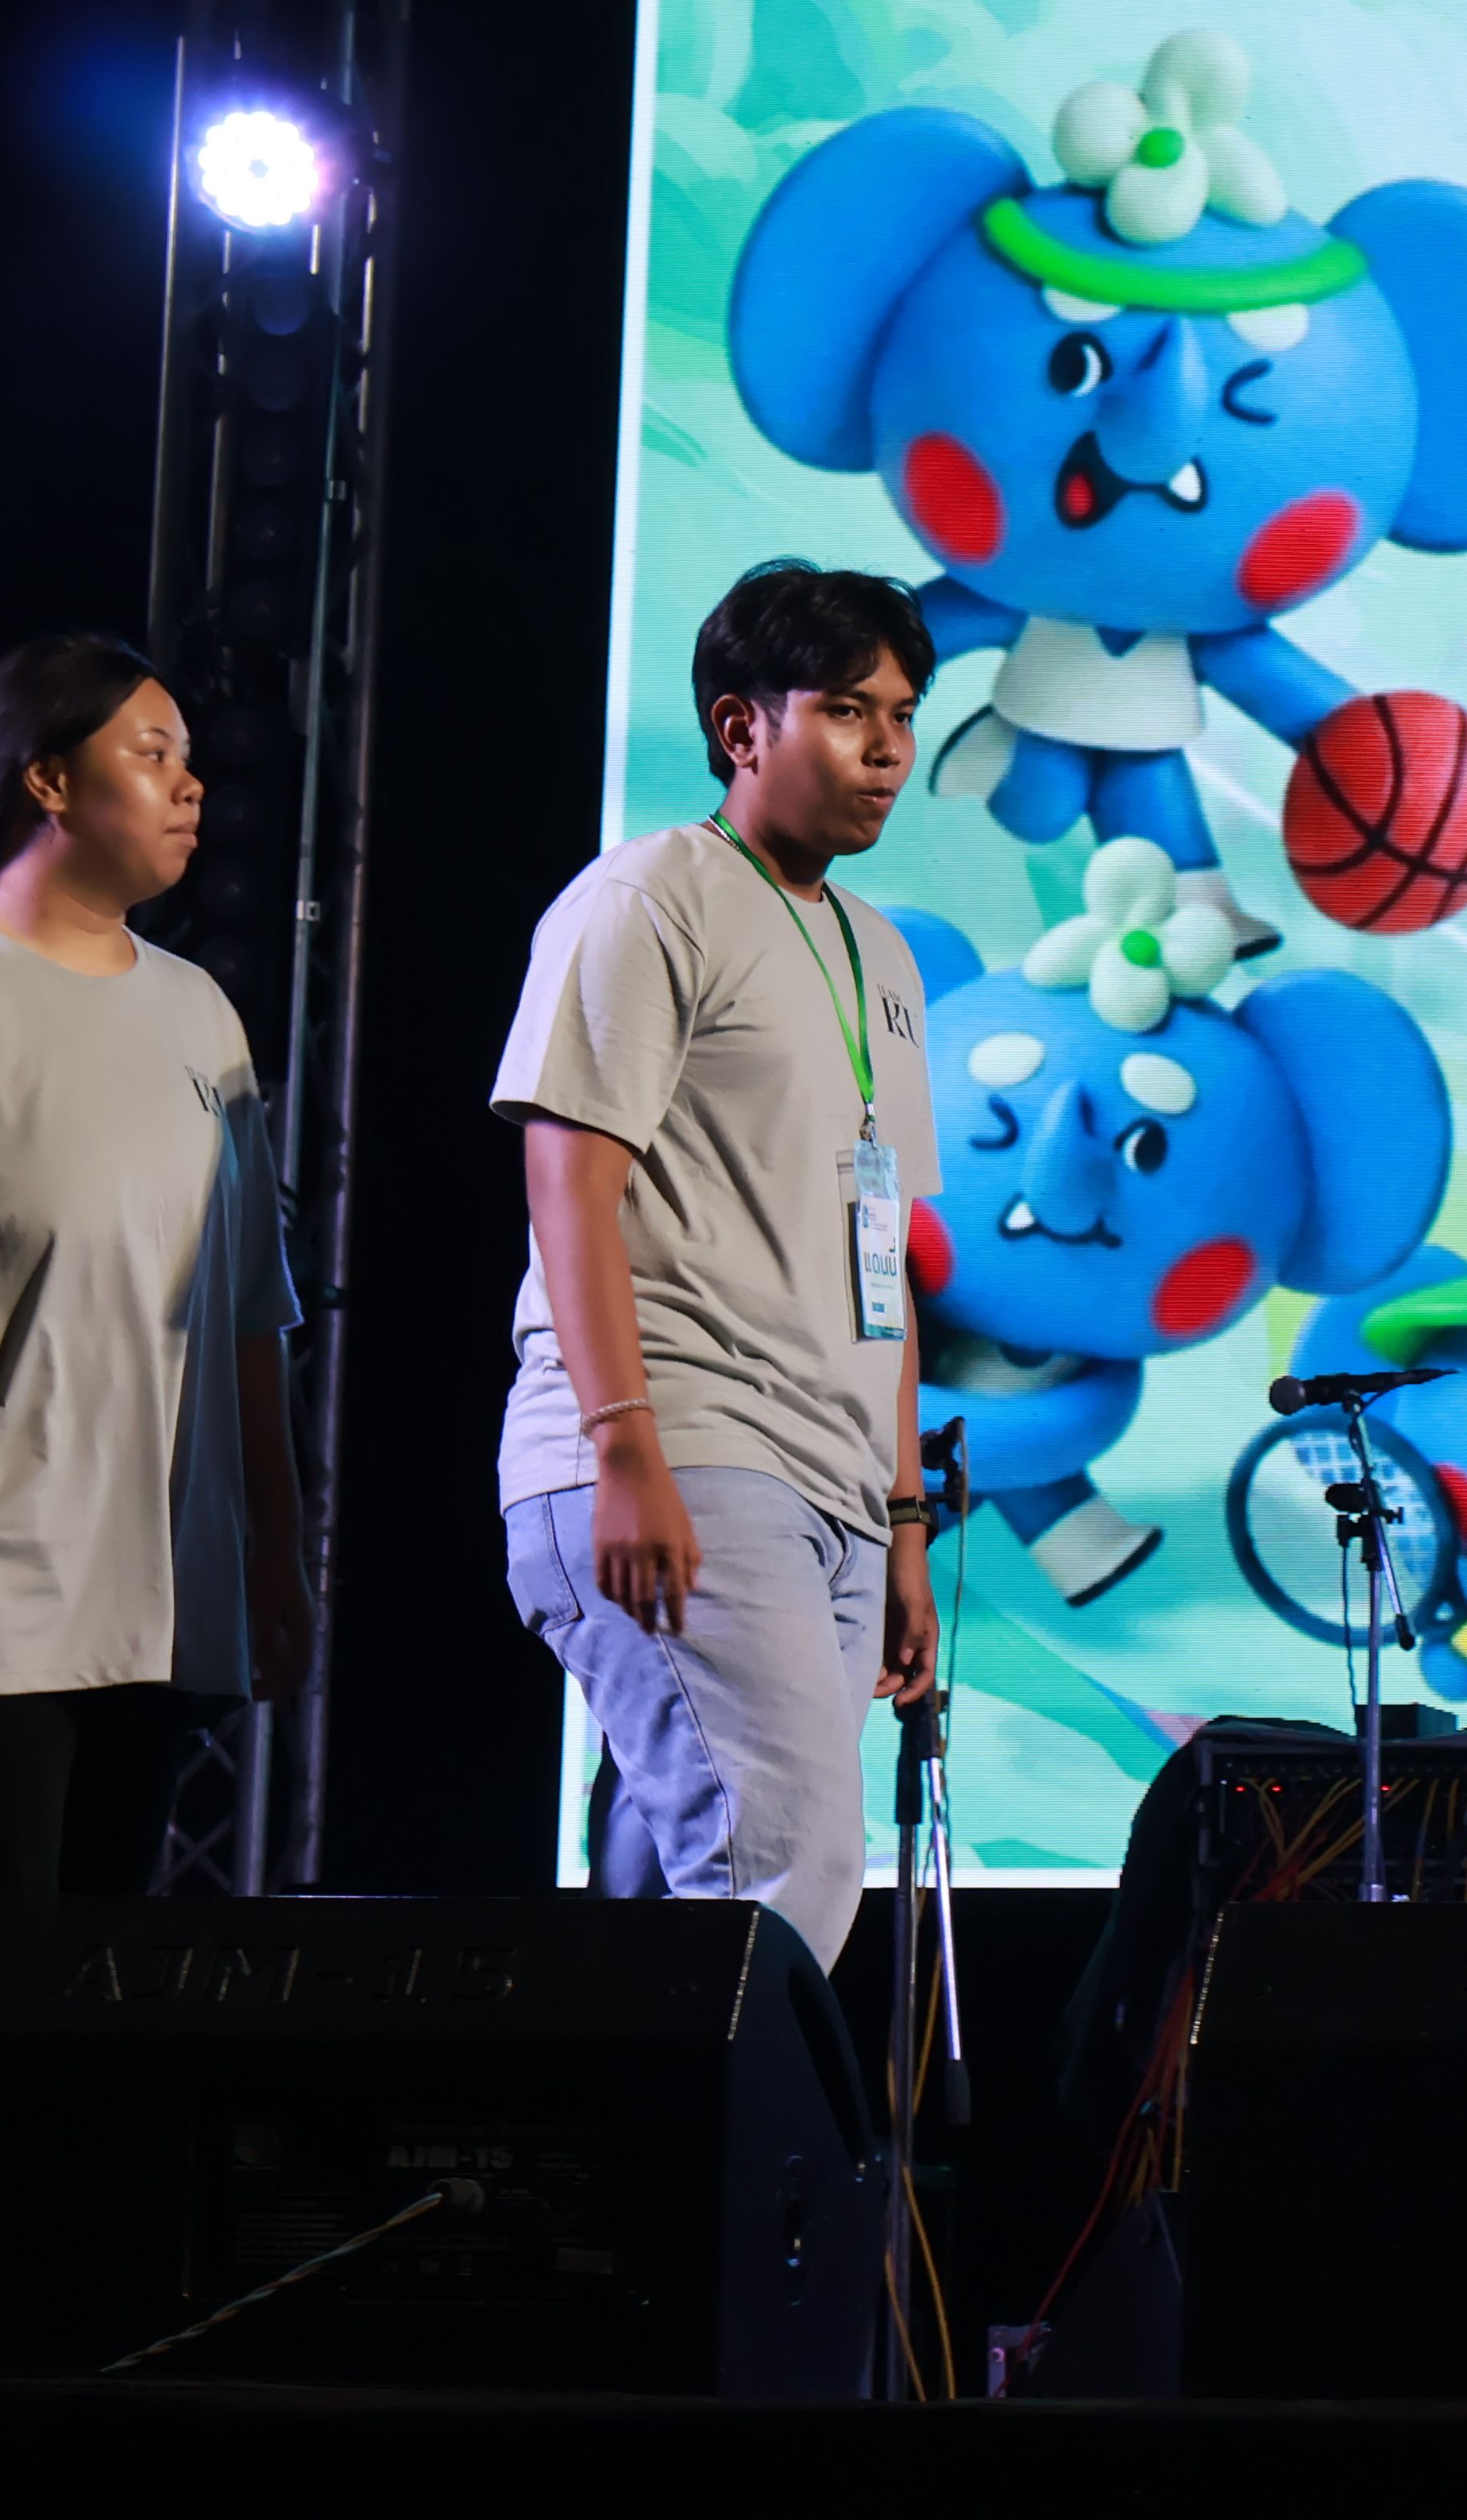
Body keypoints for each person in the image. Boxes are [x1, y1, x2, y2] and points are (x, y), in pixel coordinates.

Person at [498, 560, 946, 1969]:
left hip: (830, 1483)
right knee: (784, 1872)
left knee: (693, 1899)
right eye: (849, 710)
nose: (887, 748)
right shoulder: (649, 898)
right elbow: (569, 1181)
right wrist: (626, 1447)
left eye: (904, 713)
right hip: (685, 1446)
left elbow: (883, 1256)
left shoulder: (879, 953)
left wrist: (906, 1520)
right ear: (742, 727)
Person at [0, 637, 305, 1894]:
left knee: (98, 1995)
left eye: (190, 757)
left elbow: (248, 1318)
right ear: (48, 780)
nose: (191, 784)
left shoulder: (201, 1012)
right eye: (152, 754)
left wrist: (274, 1558)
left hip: (162, 1622)